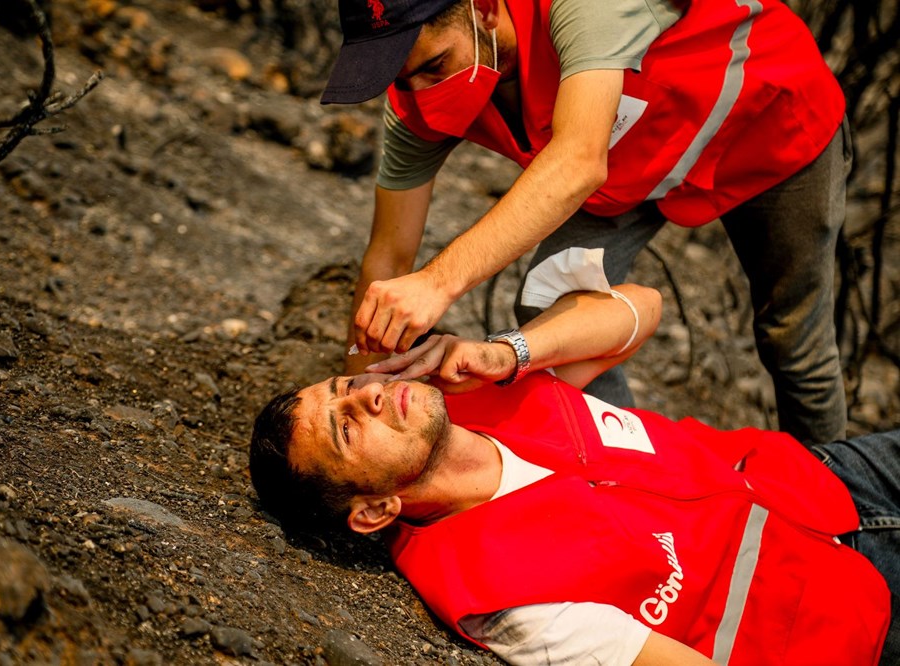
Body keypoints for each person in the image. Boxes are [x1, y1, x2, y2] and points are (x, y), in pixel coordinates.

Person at [250, 285, 898, 665]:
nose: (363, 395)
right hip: (842, 618)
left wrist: (508, 352)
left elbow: (641, 309)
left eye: (344, 387)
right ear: (371, 512)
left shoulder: (482, 386)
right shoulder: (497, 594)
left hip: (823, 480)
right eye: (345, 427)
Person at [326, 0, 851, 446]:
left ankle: (840, 510)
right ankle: (621, 463)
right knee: (547, 308)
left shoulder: (583, 6)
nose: (420, 89)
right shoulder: (420, 101)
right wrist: (357, 392)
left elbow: (577, 160)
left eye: (436, 64)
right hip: (629, 170)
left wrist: (438, 281)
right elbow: (389, 256)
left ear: (484, 8)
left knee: (791, 340)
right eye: (402, 76)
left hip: (771, 130)